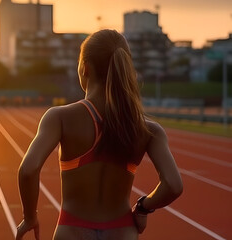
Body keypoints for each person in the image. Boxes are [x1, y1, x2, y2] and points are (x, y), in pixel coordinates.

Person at [15, 29, 183, 240]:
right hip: (122, 232)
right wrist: (142, 208)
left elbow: (28, 169)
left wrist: (30, 216)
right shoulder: (149, 130)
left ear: (84, 68)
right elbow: (173, 186)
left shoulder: (59, 117)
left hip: (72, 231)